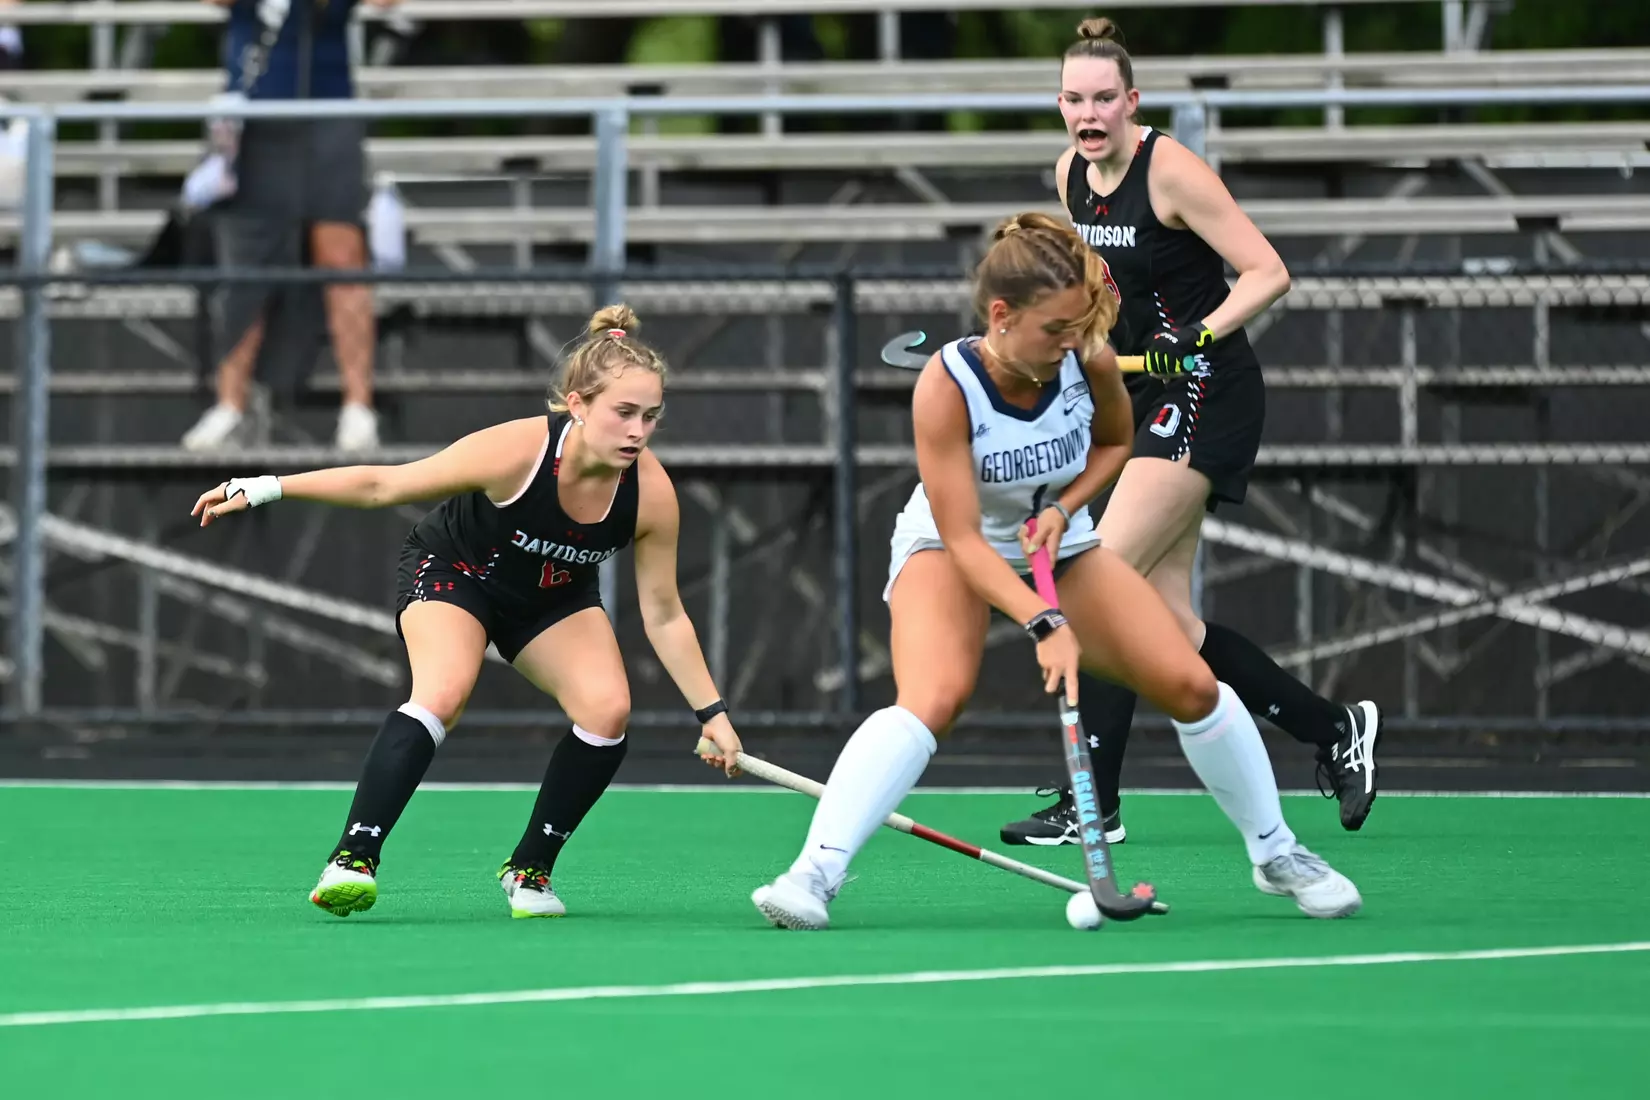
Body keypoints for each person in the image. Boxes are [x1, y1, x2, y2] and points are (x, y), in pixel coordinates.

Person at [751, 214, 1361, 930]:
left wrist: (1067, 509)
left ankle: (1277, 854)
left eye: (1079, 327)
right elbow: (964, 538)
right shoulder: (945, 391)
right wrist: (1046, 623)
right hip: (953, 546)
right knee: (934, 696)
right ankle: (813, 874)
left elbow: (1113, 443)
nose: (1070, 341)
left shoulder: (1087, 357)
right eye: (1054, 329)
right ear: (1001, 316)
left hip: (1061, 543)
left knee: (1191, 684)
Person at [191, 305, 746, 919]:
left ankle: (530, 869)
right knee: (444, 691)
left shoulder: (651, 495)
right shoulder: (517, 451)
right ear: (577, 404)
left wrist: (712, 713)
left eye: (650, 416)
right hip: (458, 574)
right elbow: (387, 486)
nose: (637, 431)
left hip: (551, 598)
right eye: (623, 412)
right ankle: (354, 857)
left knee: (608, 710)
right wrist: (267, 485)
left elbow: (664, 614)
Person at [999, 17, 1380, 851]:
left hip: (1208, 391)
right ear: (1058, 105)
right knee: (1169, 623)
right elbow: (1101, 294)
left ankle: (1091, 804)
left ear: (1132, 102)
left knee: (1097, 584)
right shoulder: (1068, 175)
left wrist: (1196, 336)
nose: (1088, 114)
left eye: (1104, 99)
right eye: (1073, 99)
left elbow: (1269, 271)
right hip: (1143, 397)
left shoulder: (1169, 169)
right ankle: (1334, 730)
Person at [182, 0, 399, 454]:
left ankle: (358, 408)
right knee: (247, 265)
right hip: (256, 117)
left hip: (329, 113)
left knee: (343, 259)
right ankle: (229, 405)